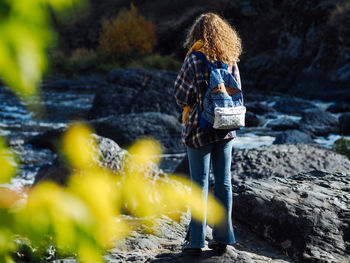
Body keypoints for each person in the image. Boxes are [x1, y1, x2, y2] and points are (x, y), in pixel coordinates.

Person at [174, 13, 242, 255]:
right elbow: (237, 93)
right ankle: (223, 238)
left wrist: (197, 99)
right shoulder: (230, 58)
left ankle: (195, 242)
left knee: (199, 185)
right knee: (223, 182)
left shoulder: (194, 59)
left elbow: (181, 95)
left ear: (197, 34)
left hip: (197, 128)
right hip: (225, 127)